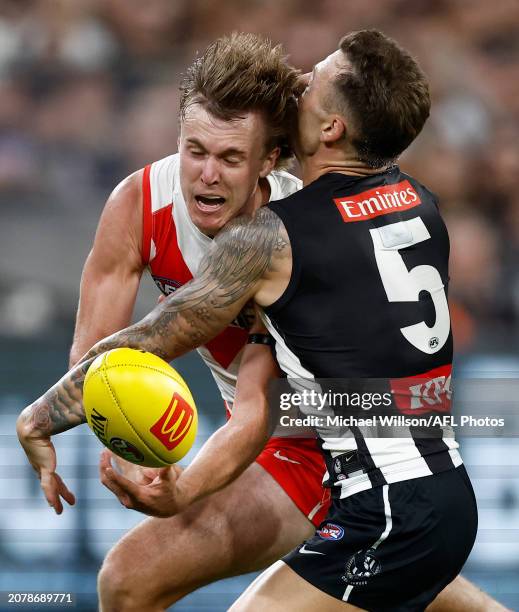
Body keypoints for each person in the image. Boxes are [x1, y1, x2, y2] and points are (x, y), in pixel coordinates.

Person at [17, 30, 506, 612]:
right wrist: (123, 441)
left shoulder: (278, 232)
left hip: (339, 469)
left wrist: (41, 417)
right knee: (129, 579)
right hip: (418, 483)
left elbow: (188, 362)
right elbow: (113, 356)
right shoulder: (414, 199)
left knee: (139, 578)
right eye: (194, 151)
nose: (301, 80)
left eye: (231, 158)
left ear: (275, 157)